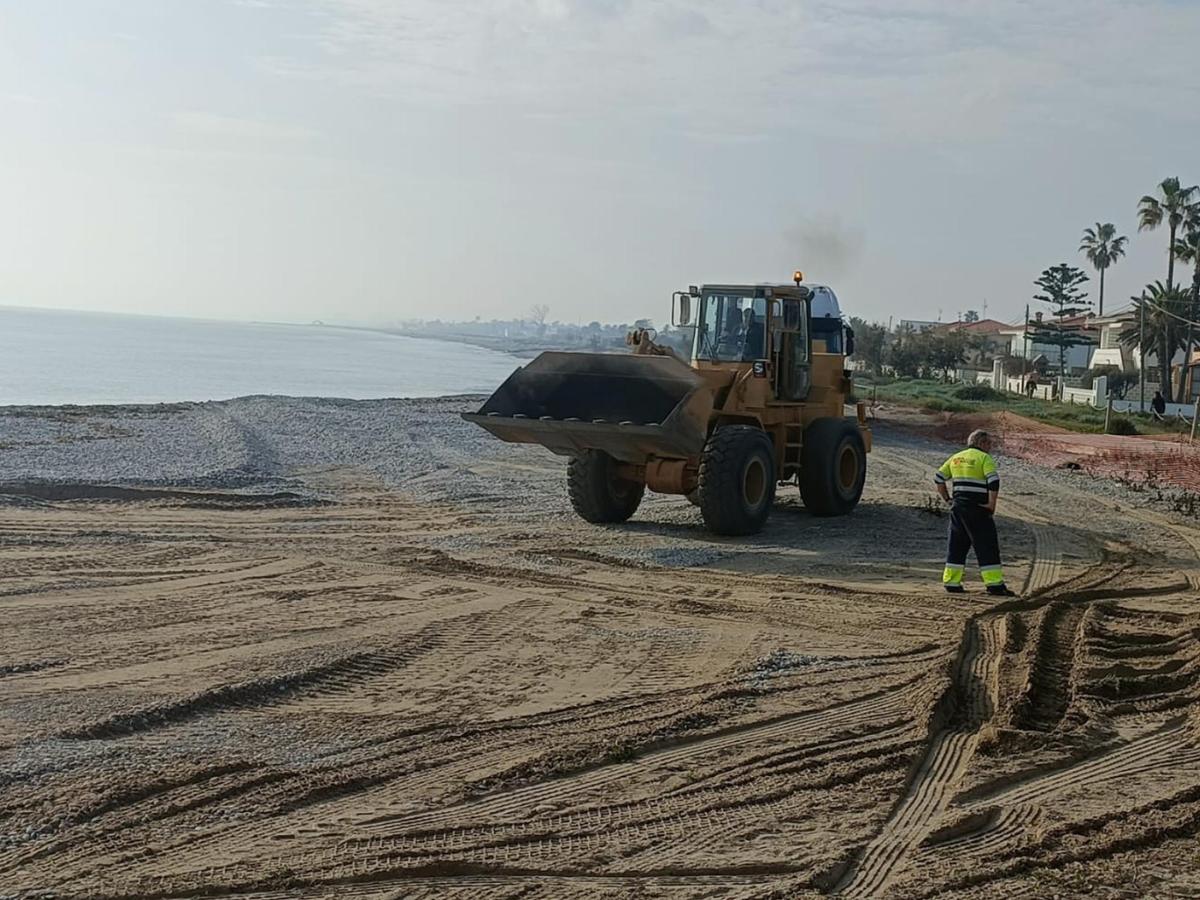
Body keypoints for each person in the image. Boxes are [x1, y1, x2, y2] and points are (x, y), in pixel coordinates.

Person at [934, 429, 1015, 596]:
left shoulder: (956, 457)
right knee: (986, 544)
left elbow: (939, 478)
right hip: (978, 508)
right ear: (981, 443)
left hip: (958, 508)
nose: (990, 447)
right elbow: (993, 481)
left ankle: (951, 582)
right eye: (989, 444)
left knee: (956, 544)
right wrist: (991, 504)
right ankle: (994, 584)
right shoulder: (984, 458)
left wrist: (948, 500)